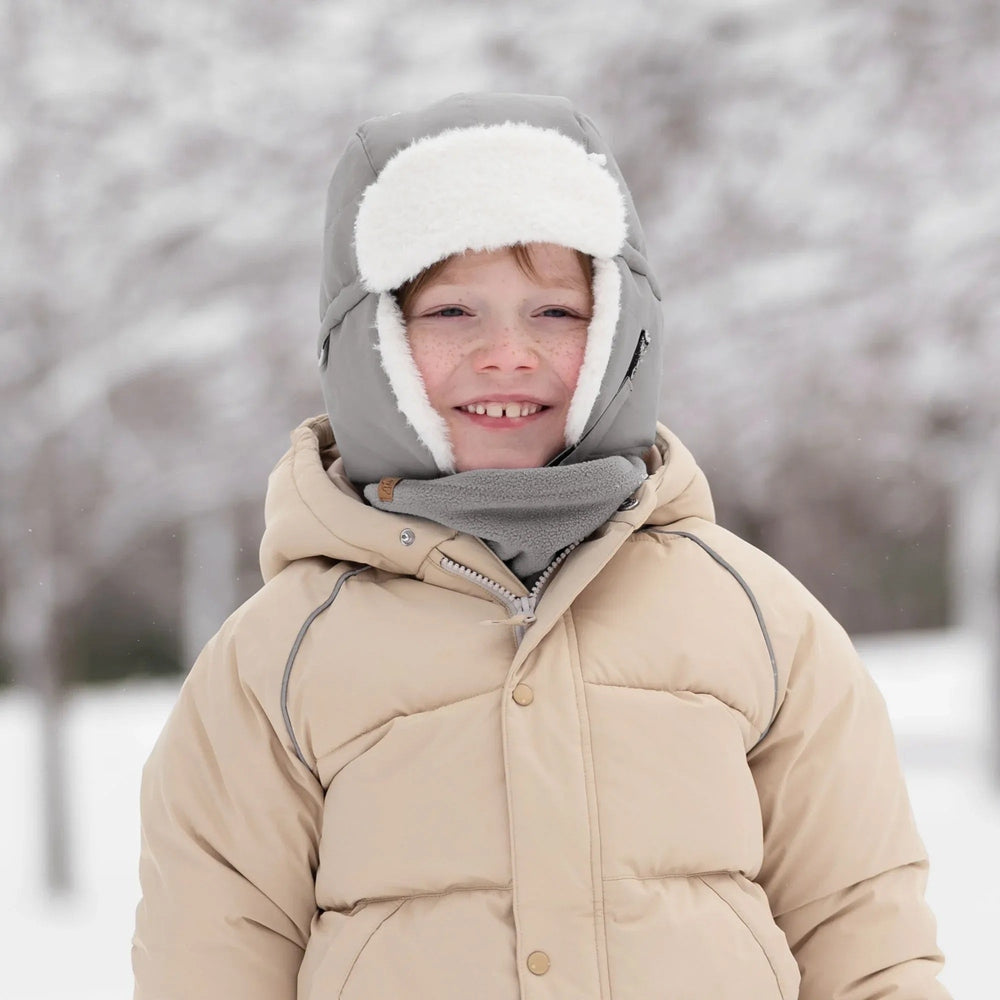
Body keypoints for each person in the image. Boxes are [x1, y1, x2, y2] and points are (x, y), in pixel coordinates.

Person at [132, 92, 949, 999]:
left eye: (555, 313)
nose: (508, 353)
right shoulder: (278, 658)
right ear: (372, 343)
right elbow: (207, 961)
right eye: (451, 314)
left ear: (616, 332)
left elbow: (864, 938)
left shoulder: (756, 620)